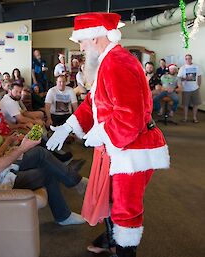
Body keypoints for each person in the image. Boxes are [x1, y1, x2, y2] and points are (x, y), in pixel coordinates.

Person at [46, 12, 170, 257]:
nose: (80, 46)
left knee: (126, 210)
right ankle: (113, 240)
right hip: (120, 147)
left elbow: (130, 116)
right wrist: (69, 126)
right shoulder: (108, 60)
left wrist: (100, 134)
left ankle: (124, 250)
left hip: (133, 151)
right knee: (110, 197)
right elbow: (93, 100)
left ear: (95, 37)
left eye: (81, 40)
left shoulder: (117, 62)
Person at [0, 99, 88, 225]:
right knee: (47, 173)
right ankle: (63, 216)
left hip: (3, 170)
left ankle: (77, 182)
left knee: (39, 153)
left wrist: (15, 149)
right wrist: (22, 148)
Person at [177, 54, 202, 123]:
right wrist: (184, 79)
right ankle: (185, 118)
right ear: (185, 60)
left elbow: (199, 77)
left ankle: (194, 117)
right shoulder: (182, 68)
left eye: (189, 58)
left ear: (191, 59)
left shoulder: (197, 67)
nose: (188, 60)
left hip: (195, 89)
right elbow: (178, 78)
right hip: (185, 89)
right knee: (185, 105)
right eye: (186, 59)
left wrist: (199, 86)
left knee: (196, 104)